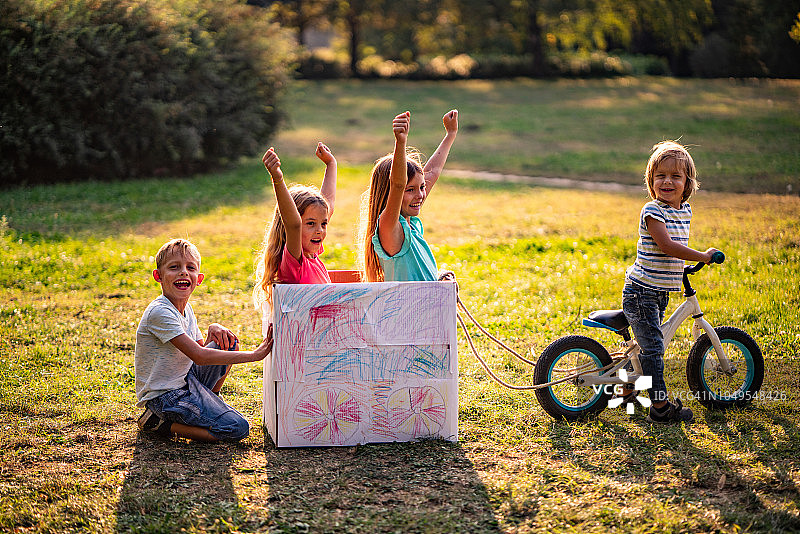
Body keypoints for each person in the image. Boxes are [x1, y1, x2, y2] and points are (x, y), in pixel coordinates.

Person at [135, 238, 273, 442]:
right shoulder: (160, 312)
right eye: (174, 267)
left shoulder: (186, 308)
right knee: (237, 428)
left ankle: (211, 399)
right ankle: (162, 425)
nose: (183, 272)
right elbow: (200, 356)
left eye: (190, 268)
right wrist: (255, 355)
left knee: (228, 343)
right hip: (165, 397)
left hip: (185, 381)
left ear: (198, 278)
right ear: (159, 276)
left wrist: (213, 329)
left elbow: (199, 349)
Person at [622, 141, 718, 423]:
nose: (667, 181)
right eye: (660, 176)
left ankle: (625, 387)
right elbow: (666, 246)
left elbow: (674, 249)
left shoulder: (684, 211)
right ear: (651, 181)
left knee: (646, 345)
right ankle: (660, 408)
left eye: (675, 176)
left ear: (688, 183)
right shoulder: (653, 211)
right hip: (641, 293)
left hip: (659, 291)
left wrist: (683, 266)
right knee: (653, 348)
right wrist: (702, 255)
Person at [360, 110, 458, 282]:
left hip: (427, 307)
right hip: (409, 310)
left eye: (421, 187)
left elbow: (433, 171)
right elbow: (397, 185)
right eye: (410, 189)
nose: (420, 194)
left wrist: (450, 134)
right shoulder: (389, 228)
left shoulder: (409, 223)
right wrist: (401, 142)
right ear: (391, 191)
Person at [253, 143, 337, 313]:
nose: (319, 230)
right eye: (311, 224)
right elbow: (293, 225)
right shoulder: (295, 263)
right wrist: (278, 179)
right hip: (304, 338)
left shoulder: (312, 253)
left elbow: (329, 205)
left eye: (323, 224)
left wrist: (331, 164)